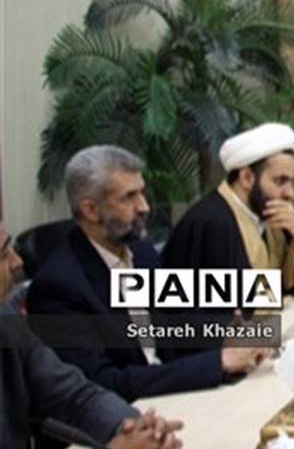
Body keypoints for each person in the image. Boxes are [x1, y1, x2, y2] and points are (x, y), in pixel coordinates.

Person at [26, 146, 269, 402]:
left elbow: (176, 323)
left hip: (175, 395)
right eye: (128, 197)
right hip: (130, 413)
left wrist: (227, 336)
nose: (144, 207)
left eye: (141, 193)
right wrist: (219, 362)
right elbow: (104, 383)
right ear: (91, 210)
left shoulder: (141, 253)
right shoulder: (59, 287)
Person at [0, 218, 183, 449]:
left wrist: (138, 429)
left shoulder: (7, 319)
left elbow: (73, 395)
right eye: (3, 254)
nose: (17, 262)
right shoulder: (58, 282)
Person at [162, 123, 294, 294]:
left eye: (291, 181)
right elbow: (233, 298)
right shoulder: (212, 223)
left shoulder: (269, 211)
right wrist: (277, 291)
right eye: (280, 181)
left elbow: (293, 287)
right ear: (247, 178)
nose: (290, 193)